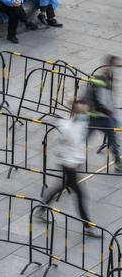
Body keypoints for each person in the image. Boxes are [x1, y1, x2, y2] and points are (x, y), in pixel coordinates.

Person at [39, 100, 99, 236]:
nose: (83, 115)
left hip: (74, 163)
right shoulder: (66, 127)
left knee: (61, 187)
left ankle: (41, 209)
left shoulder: (80, 124)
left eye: (84, 112)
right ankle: (87, 226)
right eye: (81, 112)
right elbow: (68, 145)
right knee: (81, 194)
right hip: (68, 164)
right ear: (73, 112)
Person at [85, 55, 121, 172]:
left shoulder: (109, 79)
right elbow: (96, 102)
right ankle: (72, 162)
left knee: (113, 141)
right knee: (83, 139)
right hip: (95, 118)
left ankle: (118, 163)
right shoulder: (98, 81)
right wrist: (110, 112)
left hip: (106, 118)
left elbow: (108, 99)